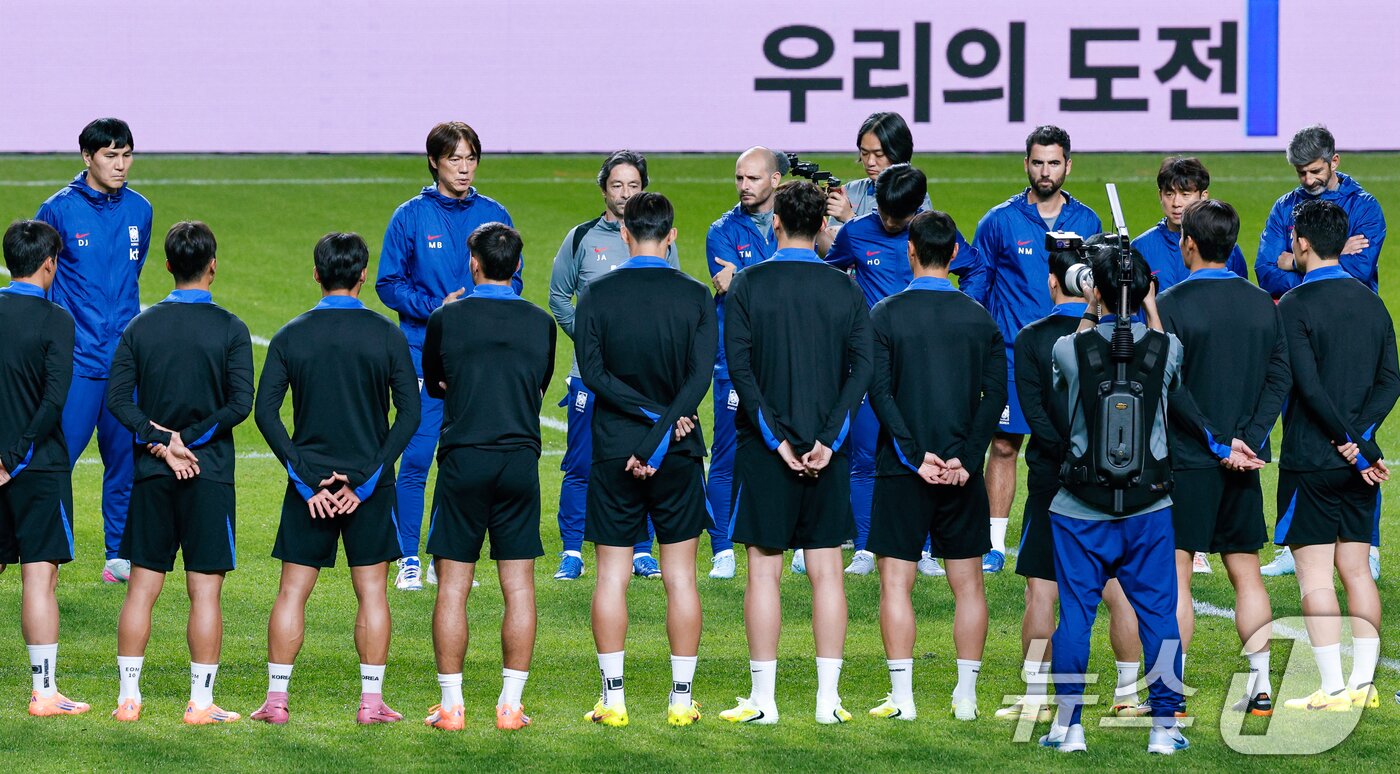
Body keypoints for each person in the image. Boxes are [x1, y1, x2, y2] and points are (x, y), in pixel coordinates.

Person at [718, 181, 871, 726]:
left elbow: (740, 370)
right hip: (828, 449)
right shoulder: (846, 289)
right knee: (827, 571)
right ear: (821, 227)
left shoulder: (749, 285)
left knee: (764, 573)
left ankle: (765, 701)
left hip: (767, 450)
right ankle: (828, 703)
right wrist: (828, 439)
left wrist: (776, 439)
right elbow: (863, 370)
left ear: (776, 222)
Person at [252, 233, 421, 725]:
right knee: (373, 592)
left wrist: (305, 480)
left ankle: (276, 701)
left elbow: (265, 413)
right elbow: (409, 415)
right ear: (364, 274)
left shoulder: (290, 335)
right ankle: (371, 704)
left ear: (316, 274)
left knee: (291, 592)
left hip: (310, 489)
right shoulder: (387, 335)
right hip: (369, 486)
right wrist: (367, 481)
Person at [1038, 243, 1190, 755]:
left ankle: (1070, 727)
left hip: (1080, 510)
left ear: (1096, 290)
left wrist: (1091, 306)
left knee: (1076, 619)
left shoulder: (1068, 348)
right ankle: (1165, 730)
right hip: (1149, 509)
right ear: (1145, 288)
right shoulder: (1167, 349)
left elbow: (1074, 356)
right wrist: (1147, 302)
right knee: (1160, 618)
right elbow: (1163, 339)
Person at [575, 192, 717, 728]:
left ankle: (613, 701)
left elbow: (593, 373)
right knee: (680, 577)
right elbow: (700, 378)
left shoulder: (596, 295)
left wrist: (645, 421)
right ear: (672, 235)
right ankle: (681, 701)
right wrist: (666, 422)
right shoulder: (696, 295)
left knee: (612, 576)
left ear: (626, 234)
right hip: (679, 448)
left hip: (615, 451)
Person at [106, 221, 254, 724]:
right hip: (209, 474)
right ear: (213, 264)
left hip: (152, 473)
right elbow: (240, 405)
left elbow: (117, 401)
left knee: (142, 586)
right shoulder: (232, 328)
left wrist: (162, 440)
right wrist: (189, 440)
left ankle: (128, 699)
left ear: (166, 265)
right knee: (204, 590)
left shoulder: (140, 327)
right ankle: (202, 703)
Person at [996, 248, 1149, 723]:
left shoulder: (1032, 338)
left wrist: (1067, 451)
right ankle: (1127, 693)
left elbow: (1034, 414)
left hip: (1052, 478)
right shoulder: (1124, 337)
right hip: (1115, 477)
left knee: (1042, 589)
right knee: (1117, 586)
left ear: (1051, 283)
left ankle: (1039, 697)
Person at [864, 210, 1004, 721]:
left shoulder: (885, 313)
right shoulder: (979, 318)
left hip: (904, 470)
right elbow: (996, 398)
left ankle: (903, 700)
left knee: (896, 585)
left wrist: (910, 451)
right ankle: (965, 698)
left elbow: (878, 391)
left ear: (911, 250)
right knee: (968, 585)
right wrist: (966, 457)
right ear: (953, 256)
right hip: (961, 474)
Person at [375, 121, 523, 591]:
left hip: (480, 360)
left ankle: (446, 557)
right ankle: (408, 559)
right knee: (417, 457)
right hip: (424, 355)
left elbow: (514, 279)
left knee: (461, 461)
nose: (463, 168)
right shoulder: (410, 216)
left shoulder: (494, 212)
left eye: (471, 158)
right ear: (434, 161)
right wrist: (435, 308)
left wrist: (485, 300)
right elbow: (388, 283)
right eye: (454, 159)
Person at [1157, 200, 1289, 717]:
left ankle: (1171, 691)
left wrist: (1215, 441)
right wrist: (1249, 440)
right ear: (1232, 245)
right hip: (1245, 461)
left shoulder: (1167, 305)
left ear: (1188, 243)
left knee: (1177, 574)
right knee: (1247, 572)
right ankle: (1259, 689)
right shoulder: (1263, 304)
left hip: (1188, 461)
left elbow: (1170, 383)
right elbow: (1280, 377)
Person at [421, 223, 555, 731]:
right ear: (516, 266)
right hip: (519, 459)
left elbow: (435, 382)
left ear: (473, 262)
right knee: (518, 588)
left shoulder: (446, 318)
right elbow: (538, 383)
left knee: (453, 588)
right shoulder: (540, 322)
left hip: (463, 458)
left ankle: (452, 706)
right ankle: (510, 706)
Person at [1273, 200, 1398, 712]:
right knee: (1357, 571)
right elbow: (1392, 380)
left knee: (1315, 577)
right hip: (1361, 466)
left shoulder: (1295, 306)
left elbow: (1308, 387)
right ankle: (1365, 684)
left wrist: (1344, 441)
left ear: (1301, 242)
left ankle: (1333, 688)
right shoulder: (1373, 302)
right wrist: (1362, 442)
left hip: (1311, 460)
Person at [964, 125, 1102, 573]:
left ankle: (1068, 532)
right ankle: (994, 544)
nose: (1046, 171)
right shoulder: (997, 221)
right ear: (1026, 164)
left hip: (1073, 356)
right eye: (1038, 163)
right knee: (1004, 446)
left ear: (1068, 165)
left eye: (1054, 163)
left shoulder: (1087, 222)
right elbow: (979, 289)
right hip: (1010, 355)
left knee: (1070, 443)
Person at [824, 164, 971, 577]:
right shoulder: (855, 232)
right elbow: (831, 276)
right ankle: (867, 548)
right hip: (872, 362)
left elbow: (972, 268)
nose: (887, 221)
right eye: (883, 211)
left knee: (925, 452)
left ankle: (922, 548)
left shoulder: (928, 234)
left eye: (896, 216)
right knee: (866, 456)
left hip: (923, 364)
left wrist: (957, 313)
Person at [1254, 125, 1388, 579]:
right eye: (1300, 172)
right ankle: (1297, 543)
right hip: (1303, 325)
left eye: (1314, 170)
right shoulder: (1284, 207)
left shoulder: (1365, 207)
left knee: (1359, 422)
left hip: (1351, 330)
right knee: (1299, 425)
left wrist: (1294, 261)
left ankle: (1365, 544)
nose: (1307, 180)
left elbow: (1357, 268)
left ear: (1336, 160)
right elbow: (1264, 272)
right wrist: (1319, 259)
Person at [34, 117, 153, 584]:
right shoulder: (58, 210)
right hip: (77, 362)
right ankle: (47, 549)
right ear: (87, 157)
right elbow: (42, 278)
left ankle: (118, 556)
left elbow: (132, 272)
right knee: (55, 459)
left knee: (125, 457)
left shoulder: (141, 209)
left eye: (126, 155)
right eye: (110, 155)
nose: (120, 164)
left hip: (124, 362)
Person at [547, 151, 674, 581]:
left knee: (642, 460)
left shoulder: (659, 240)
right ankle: (572, 551)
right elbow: (559, 297)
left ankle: (641, 549)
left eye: (633, 186)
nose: (625, 194)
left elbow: (669, 302)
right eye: (617, 185)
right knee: (581, 463)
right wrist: (588, 342)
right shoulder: (582, 237)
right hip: (590, 376)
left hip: (643, 380)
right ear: (603, 188)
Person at [0, 219, 87, 717]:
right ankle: (44, 693)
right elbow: (54, 401)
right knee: (39, 578)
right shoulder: (58, 321)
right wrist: (15, 456)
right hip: (39, 468)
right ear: (50, 264)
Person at [703, 147, 783, 579]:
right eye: (739, 178)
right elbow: (778, 287)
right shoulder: (721, 230)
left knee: (792, 444)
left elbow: (750, 287)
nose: (744, 186)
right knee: (727, 453)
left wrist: (748, 276)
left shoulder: (788, 220)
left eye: (752, 178)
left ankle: (795, 541)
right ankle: (721, 548)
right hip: (733, 360)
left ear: (774, 180)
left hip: (783, 358)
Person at [1132, 156, 1249, 290]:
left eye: (1185, 194)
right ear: (1160, 196)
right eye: (1169, 194)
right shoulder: (1140, 247)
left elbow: (1240, 296)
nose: (1176, 203)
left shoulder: (1226, 247)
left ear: (1203, 196)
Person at [823, 112, 931, 227]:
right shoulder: (850, 191)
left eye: (879, 154)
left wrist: (850, 219)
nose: (870, 162)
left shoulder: (913, 195)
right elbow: (832, 240)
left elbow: (905, 243)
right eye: (864, 153)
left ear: (898, 152)